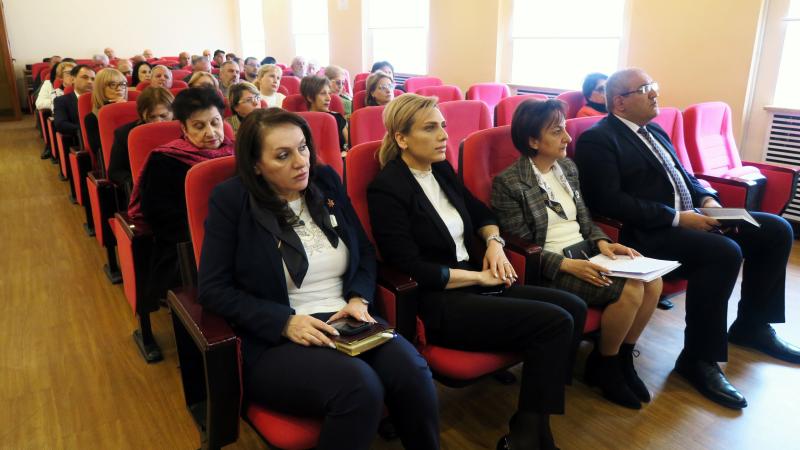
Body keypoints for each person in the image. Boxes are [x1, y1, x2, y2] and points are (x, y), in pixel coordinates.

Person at [198, 108, 440, 450]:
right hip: (277, 337)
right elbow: (212, 289)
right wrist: (284, 322)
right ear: (256, 165)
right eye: (283, 155)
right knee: (360, 388)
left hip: (346, 319)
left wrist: (358, 298)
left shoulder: (324, 181)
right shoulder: (232, 200)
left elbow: (363, 251)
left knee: (412, 371)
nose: (301, 162)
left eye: (303, 148)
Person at [368, 94, 587, 450]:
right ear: (401, 138)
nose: (444, 135)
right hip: (440, 299)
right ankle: (529, 432)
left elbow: (483, 214)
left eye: (443, 126)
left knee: (573, 307)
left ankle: (534, 419)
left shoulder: (441, 169)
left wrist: (495, 244)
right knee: (556, 322)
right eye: (430, 128)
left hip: (476, 282)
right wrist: (479, 277)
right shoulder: (387, 188)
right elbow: (409, 266)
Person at [575, 68, 800, 410]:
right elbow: (608, 201)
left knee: (776, 230)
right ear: (620, 102)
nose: (655, 93)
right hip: (647, 234)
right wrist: (679, 218)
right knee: (723, 252)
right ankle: (697, 358)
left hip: (692, 216)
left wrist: (708, 200)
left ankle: (753, 325)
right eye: (645, 89)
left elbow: (686, 176)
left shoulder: (655, 130)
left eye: (653, 86)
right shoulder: (599, 139)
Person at [492, 99, 661, 409]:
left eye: (565, 129)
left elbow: (585, 219)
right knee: (631, 289)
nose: (568, 138)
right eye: (557, 132)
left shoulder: (567, 168)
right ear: (533, 141)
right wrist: (567, 265)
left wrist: (602, 243)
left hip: (586, 253)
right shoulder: (509, 183)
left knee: (654, 281)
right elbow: (521, 246)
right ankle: (606, 365)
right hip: (553, 266)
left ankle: (624, 356)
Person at [127, 87, 235, 360]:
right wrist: (212, 235)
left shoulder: (236, 153)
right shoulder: (165, 160)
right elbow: (159, 215)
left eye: (215, 123)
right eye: (199, 126)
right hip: (185, 242)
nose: (210, 132)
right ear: (184, 129)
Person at [108, 87, 175, 197]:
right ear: (142, 114)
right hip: (143, 192)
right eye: (152, 117)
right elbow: (115, 172)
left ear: (173, 112)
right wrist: (137, 184)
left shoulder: (183, 129)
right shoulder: (125, 134)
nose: (158, 122)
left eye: (164, 116)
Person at [84, 68, 128, 163]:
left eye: (122, 84)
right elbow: (101, 150)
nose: (119, 88)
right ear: (100, 89)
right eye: (112, 84)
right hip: (116, 161)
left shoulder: (136, 109)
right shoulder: (91, 118)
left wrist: (125, 109)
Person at [301, 76, 348, 154]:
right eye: (323, 93)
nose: (329, 98)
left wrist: (345, 151)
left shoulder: (337, 117)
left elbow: (348, 144)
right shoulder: (301, 123)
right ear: (310, 98)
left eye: (329, 93)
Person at [53, 65, 95, 148]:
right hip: (79, 142)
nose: (90, 82)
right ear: (73, 79)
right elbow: (61, 124)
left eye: (93, 79)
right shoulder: (62, 101)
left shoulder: (100, 99)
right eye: (85, 77)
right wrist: (85, 130)